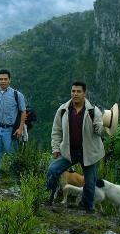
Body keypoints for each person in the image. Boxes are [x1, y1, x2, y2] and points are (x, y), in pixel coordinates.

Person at [45, 81, 105, 213]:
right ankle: (48, 197)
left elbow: (99, 130)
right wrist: (55, 148)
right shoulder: (63, 110)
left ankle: (87, 207)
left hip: (88, 152)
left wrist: (107, 126)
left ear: (84, 93)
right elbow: (56, 130)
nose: (75, 94)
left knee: (90, 182)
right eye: (73, 91)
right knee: (52, 170)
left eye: (78, 91)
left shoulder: (93, 111)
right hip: (69, 152)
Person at [0, 69, 27, 181]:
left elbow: (23, 111)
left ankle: (16, 177)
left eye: (5, 79)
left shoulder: (17, 95)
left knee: (13, 153)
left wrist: (20, 128)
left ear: (9, 80)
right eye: (1, 79)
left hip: (11, 129)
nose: (3, 81)